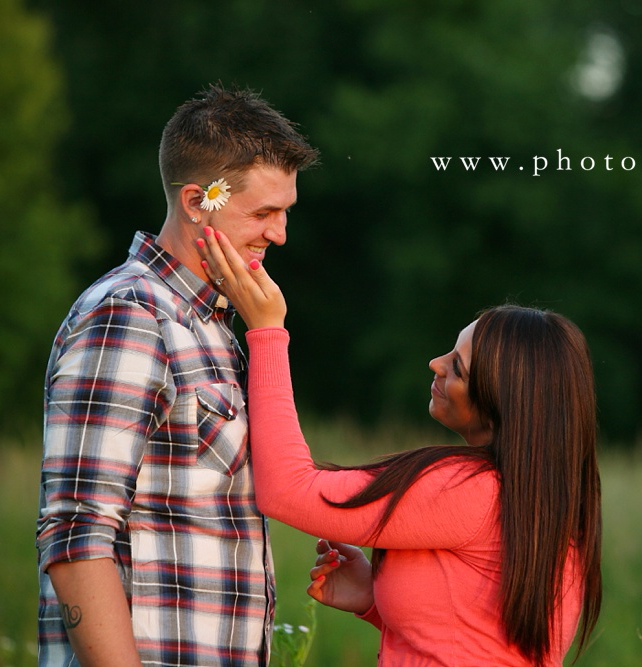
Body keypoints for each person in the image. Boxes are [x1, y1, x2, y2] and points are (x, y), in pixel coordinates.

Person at [195, 232, 603, 666]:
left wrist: (266, 331)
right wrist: (375, 599)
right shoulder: (549, 505)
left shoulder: (468, 490)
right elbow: (486, 642)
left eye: (458, 368)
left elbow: (288, 490)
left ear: (500, 405)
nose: (436, 364)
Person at [36, 85, 319, 666]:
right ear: (197, 201)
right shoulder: (131, 316)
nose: (280, 233)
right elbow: (76, 533)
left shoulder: (213, 324)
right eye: (262, 213)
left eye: (285, 211)